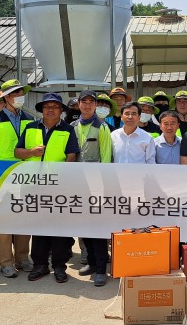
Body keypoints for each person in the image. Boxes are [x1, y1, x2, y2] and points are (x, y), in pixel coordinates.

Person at [16, 93, 80, 283]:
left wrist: (61, 178)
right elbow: (17, 152)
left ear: (61, 110)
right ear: (42, 110)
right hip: (33, 185)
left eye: (55, 106)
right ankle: (40, 265)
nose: (50, 110)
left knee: (59, 228)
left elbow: (72, 155)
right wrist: (31, 152)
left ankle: (59, 266)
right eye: (47, 106)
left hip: (58, 187)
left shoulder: (68, 129)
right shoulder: (30, 127)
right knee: (39, 227)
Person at [0, 78, 35, 278]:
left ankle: (22, 258)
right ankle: (6, 262)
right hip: (3, 178)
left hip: (26, 177)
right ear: (5, 98)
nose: (19, 96)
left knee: (24, 220)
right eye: (15, 93)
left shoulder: (30, 119)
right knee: (4, 221)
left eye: (21, 92)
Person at [72, 90, 113, 287]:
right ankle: (91, 262)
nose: (87, 105)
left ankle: (101, 269)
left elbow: (106, 156)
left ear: (96, 105)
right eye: (84, 101)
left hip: (96, 184)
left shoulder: (102, 127)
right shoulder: (73, 126)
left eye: (91, 102)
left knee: (97, 228)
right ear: (79, 104)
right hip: (78, 183)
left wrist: (102, 186)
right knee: (84, 226)